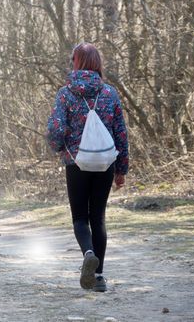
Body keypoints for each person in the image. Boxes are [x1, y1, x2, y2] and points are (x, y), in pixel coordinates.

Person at [47, 43, 128, 292]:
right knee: (98, 218)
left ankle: (88, 253)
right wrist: (121, 169)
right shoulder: (110, 93)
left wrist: (58, 147)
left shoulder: (65, 93)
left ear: (76, 62)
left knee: (80, 218)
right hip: (105, 163)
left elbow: (56, 129)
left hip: (76, 162)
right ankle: (100, 277)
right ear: (97, 64)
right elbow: (120, 133)